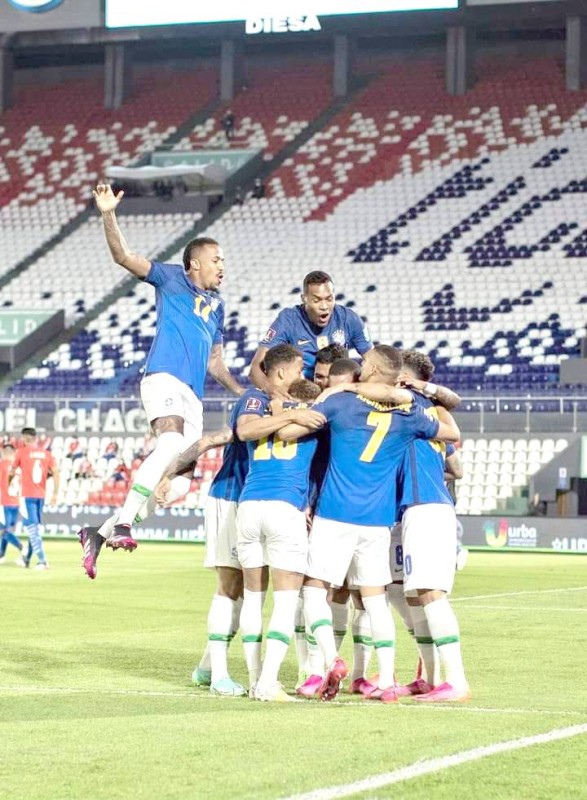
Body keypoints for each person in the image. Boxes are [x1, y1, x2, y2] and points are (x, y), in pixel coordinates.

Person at [78, 183, 243, 580]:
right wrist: (108, 214)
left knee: (180, 485)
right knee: (169, 444)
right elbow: (123, 256)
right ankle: (123, 525)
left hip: (193, 397)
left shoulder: (217, 306)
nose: (222, 265)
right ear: (194, 264)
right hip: (163, 377)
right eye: (216, 259)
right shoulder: (170, 279)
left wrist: (244, 391)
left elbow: (216, 363)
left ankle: (98, 533)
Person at [278, 345, 460, 702]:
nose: (361, 367)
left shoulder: (339, 403)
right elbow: (451, 434)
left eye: (365, 364)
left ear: (374, 370)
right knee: (376, 599)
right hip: (378, 520)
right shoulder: (411, 414)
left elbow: (288, 434)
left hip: (335, 512)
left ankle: (329, 661)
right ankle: (387, 680)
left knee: (314, 590)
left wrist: (324, 399)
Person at [234, 344, 325, 702]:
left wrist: (282, 412)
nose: (303, 373)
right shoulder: (311, 417)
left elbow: (246, 431)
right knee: (286, 602)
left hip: (249, 504)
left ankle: (254, 678)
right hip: (285, 507)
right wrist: (299, 414)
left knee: (253, 599)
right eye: (300, 369)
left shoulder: (256, 405)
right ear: (284, 372)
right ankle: (268, 683)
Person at [392, 349, 470, 703]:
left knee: (430, 593)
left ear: (405, 379)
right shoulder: (431, 412)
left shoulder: (414, 411)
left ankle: (456, 681)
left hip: (427, 508)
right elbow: (457, 469)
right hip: (416, 507)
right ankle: (429, 678)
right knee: (414, 595)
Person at [249, 271, 372, 392]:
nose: (324, 306)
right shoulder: (288, 321)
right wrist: (273, 391)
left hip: (339, 391)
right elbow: (255, 369)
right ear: (304, 299)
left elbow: (374, 362)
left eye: (329, 299)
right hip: (302, 394)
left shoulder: (348, 319)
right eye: (317, 300)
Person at [13, 427, 59, 571]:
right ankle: (26, 559)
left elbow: (12, 471)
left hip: (27, 495)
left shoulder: (21, 452)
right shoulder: (47, 454)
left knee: (33, 529)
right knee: (35, 528)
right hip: (41, 496)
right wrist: (55, 494)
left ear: (25, 438)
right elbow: (56, 473)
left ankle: (42, 561)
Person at [0, 444, 25, 564]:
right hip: (16, 503)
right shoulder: (18, 468)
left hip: (4, 503)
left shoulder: (2, 465)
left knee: (3, 531)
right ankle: (1, 555)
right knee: (7, 530)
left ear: (4, 452)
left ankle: (22, 548)